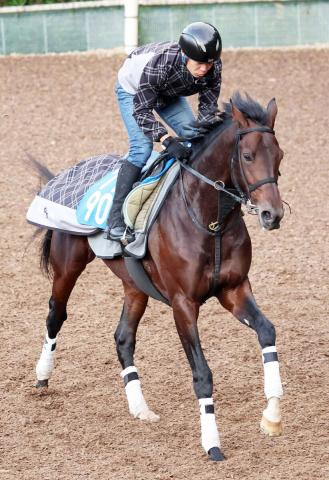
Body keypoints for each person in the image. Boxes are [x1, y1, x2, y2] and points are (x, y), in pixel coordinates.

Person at [106, 21, 223, 242]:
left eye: (209, 64)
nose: (205, 69)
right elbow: (141, 111)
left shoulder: (213, 67)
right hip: (133, 90)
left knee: (195, 136)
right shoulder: (160, 65)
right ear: (185, 56)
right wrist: (167, 139)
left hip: (169, 91)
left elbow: (208, 108)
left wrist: (205, 136)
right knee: (142, 148)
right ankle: (115, 220)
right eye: (199, 64)